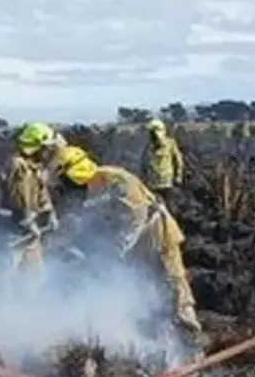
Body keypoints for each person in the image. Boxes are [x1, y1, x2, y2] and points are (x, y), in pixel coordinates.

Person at [49, 145, 203, 348]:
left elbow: (135, 219)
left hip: (156, 233)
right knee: (140, 287)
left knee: (173, 282)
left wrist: (112, 254)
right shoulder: (86, 191)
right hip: (129, 245)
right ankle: (151, 337)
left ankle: (190, 336)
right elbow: (81, 222)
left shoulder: (117, 180)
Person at [0, 123, 61, 291]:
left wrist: (50, 214)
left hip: (31, 232)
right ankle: (0, 310)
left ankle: (29, 311)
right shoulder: (17, 165)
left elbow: (42, 194)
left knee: (34, 275)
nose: (50, 152)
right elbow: (18, 197)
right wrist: (28, 220)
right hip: (12, 229)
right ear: (37, 146)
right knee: (6, 273)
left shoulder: (36, 168)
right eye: (47, 148)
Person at [141, 119, 184, 204]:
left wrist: (178, 176)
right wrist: (143, 179)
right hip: (153, 183)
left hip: (166, 182)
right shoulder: (149, 147)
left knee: (168, 205)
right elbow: (144, 164)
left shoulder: (170, 144)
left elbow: (178, 160)